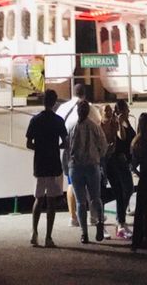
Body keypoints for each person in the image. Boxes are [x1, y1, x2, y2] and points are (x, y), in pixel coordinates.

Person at [26, 88, 68, 247]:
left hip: (39, 163)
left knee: (38, 198)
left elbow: (29, 143)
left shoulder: (35, 120)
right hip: (53, 163)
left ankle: (34, 232)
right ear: (54, 102)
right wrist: (56, 146)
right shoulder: (58, 121)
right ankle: (48, 237)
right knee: (51, 201)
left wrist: (39, 147)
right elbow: (65, 141)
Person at [65, 99, 107, 243]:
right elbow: (104, 145)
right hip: (92, 165)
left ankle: (84, 233)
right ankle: (100, 222)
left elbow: (66, 148)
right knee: (96, 198)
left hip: (75, 167)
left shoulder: (71, 126)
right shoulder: (95, 127)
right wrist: (97, 156)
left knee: (80, 202)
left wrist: (66, 166)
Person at [57, 83, 99, 227]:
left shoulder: (62, 108)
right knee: (89, 187)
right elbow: (98, 127)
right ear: (84, 95)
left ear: (73, 93)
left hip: (69, 153)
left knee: (71, 183)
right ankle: (92, 217)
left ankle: (73, 217)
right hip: (88, 154)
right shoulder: (91, 108)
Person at [107, 99, 135, 239]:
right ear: (120, 111)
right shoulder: (116, 124)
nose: (129, 112)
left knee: (127, 189)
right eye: (126, 110)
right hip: (117, 160)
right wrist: (120, 122)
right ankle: (120, 221)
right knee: (124, 189)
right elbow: (122, 137)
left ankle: (120, 218)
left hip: (124, 161)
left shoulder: (126, 122)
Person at [131, 112, 147, 252]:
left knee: (140, 209)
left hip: (143, 177)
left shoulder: (136, 141)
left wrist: (138, 173)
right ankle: (145, 237)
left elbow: (133, 164)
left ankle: (136, 239)